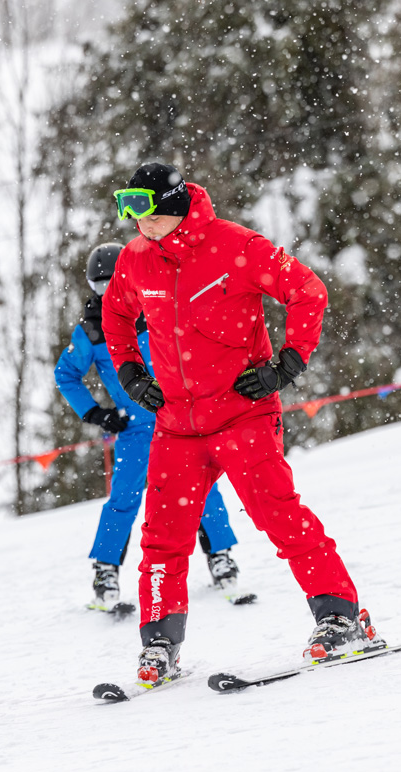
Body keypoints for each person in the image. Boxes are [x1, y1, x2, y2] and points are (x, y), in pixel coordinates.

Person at [101, 162, 384, 685]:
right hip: (176, 426)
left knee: (278, 515)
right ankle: (161, 643)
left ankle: (342, 619)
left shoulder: (236, 246)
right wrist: (129, 372)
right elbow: (115, 314)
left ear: (169, 203)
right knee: (162, 538)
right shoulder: (136, 261)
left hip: (242, 414)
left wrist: (288, 363)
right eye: (123, 206)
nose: (130, 218)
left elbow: (308, 291)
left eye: (137, 205)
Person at [54, 243, 252, 615]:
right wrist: (96, 414)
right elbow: (66, 375)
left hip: (179, 421)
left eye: (113, 284)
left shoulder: (161, 308)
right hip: (134, 429)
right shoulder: (92, 331)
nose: (108, 294)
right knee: (124, 499)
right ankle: (105, 572)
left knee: (202, 489)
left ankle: (221, 557)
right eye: (100, 287)